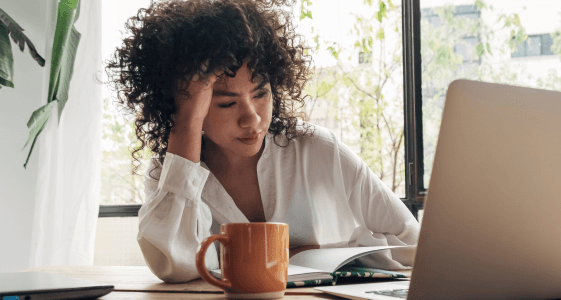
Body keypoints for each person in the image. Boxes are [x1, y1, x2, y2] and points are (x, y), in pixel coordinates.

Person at [106, 0, 419, 283]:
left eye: (261, 94)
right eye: (227, 103)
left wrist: (317, 256)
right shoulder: (169, 173)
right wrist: (186, 124)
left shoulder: (317, 149)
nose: (252, 119)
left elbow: (413, 242)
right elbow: (173, 266)